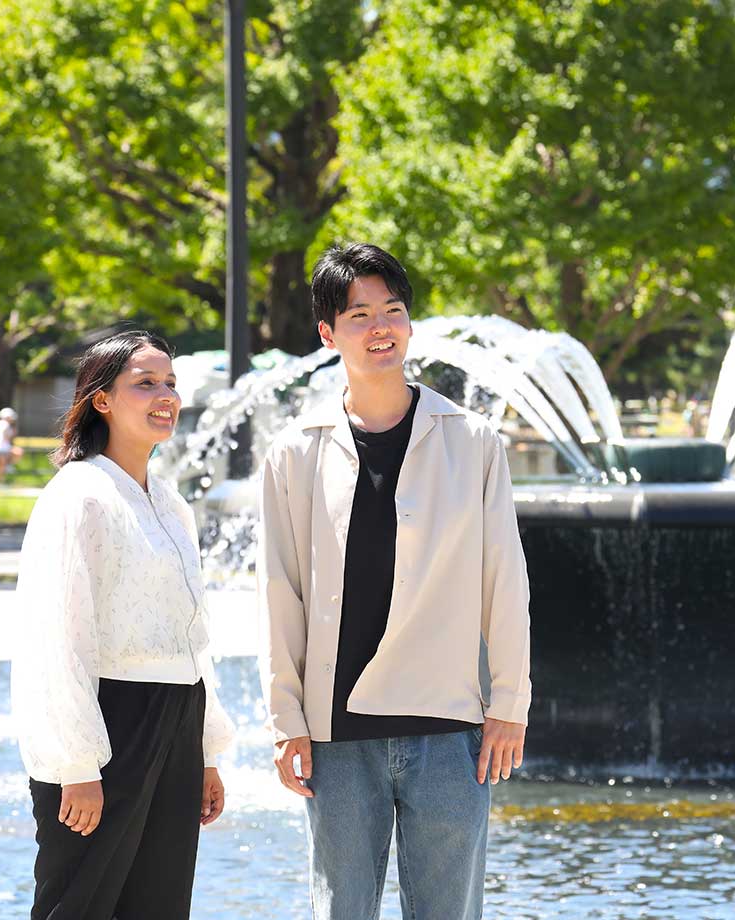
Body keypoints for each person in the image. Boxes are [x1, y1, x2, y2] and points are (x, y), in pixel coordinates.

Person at [257, 243, 533, 920]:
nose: (381, 326)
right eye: (359, 315)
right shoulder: (296, 451)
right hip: (336, 736)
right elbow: (279, 596)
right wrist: (285, 721)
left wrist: (511, 703)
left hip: (449, 727)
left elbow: (506, 580)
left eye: (394, 310)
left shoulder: (472, 440)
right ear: (328, 334)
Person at [10, 330, 235, 920]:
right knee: (79, 906)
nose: (165, 396)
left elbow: (194, 636)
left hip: (178, 723)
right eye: (145, 384)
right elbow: (57, 638)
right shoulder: (77, 496)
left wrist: (207, 751)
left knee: (159, 907)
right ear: (102, 400)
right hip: (109, 726)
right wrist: (76, 766)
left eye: (170, 383)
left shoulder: (171, 504)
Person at [0, 406, 20, 483]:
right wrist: (8, 437)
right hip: (3, 448)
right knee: (18, 452)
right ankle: (9, 466)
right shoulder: (5, 424)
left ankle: (1, 481)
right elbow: (6, 434)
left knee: (1, 466)